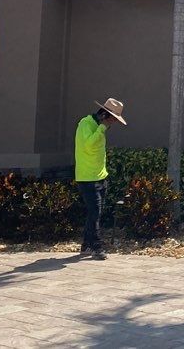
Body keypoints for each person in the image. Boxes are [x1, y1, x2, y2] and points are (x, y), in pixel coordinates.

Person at [76, 97, 126, 260]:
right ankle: (96, 246)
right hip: (87, 178)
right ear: (105, 115)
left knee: (94, 213)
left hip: (100, 176)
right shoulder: (86, 124)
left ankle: (86, 245)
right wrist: (102, 128)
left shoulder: (99, 126)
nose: (114, 123)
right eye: (113, 119)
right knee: (95, 212)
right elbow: (89, 145)